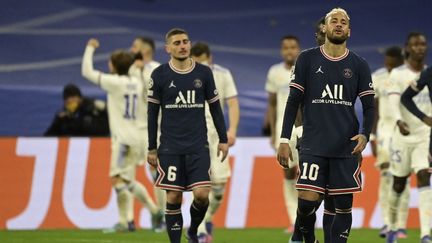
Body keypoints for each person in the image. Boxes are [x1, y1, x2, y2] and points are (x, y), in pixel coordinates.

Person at [277, 8, 375, 243]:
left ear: (349, 31)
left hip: (345, 146)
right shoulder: (307, 59)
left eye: (343, 22)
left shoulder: (359, 64)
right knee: (306, 202)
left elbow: (370, 106)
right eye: (334, 21)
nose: (338, 25)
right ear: (325, 27)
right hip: (313, 144)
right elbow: (293, 102)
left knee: (341, 204)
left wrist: (365, 135)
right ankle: (306, 238)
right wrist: (284, 140)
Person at [147, 28, 228, 243]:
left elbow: (215, 108)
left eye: (185, 41)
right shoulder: (159, 75)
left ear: (189, 44)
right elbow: (152, 113)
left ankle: (193, 230)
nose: (182, 46)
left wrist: (223, 139)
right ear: (167, 49)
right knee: (173, 196)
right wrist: (151, 147)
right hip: (170, 148)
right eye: (177, 43)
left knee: (202, 196)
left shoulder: (203, 73)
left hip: (197, 147)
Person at [81, 38, 163, 233]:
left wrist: (89, 48)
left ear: (115, 66)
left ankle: (126, 221)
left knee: (117, 179)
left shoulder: (114, 82)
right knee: (126, 180)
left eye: (110, 62)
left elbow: (87, 72)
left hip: (123, 138)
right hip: (135, 136)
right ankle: (150, 213)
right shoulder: (135, 81)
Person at [190, 42, 240, 243]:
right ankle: (200, 230)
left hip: (217, 136)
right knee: (200, 186)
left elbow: (233, 103)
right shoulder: (186, 74)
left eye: (203, 61)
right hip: (195, 135)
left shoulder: (222, 74)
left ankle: (206, 219)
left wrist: (232, 130)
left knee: (219, 188)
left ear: (210, 58)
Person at [386, 32, 431, 243]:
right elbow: (396, 101)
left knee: (424, 175)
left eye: (423, 44)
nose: (420, 48)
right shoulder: (397, 74)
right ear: (407, 47)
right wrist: (398, 120)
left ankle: (425, 234)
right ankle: (393, 226)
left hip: (424, 137)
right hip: (402, 137)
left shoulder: (429, 73)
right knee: (398, 184)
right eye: (415, 44)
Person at [369, 46, 409, 239]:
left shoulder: (408, 77)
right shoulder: (378, 77)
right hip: (384, 132)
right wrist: (373, 136)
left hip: (404, 132)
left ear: (401, 62)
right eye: (387, 63)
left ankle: (400, 225)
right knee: (385, 176)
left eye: (393, 64)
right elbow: (374, 109)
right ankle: (386, 222)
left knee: (402, 178)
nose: (389, 67)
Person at [129, 36, 166, 231]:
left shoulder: (157, 69)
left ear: (146, 50)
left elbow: (151, 96)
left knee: (156, 172)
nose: (131, 48)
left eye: (135, 46)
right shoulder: (130, 70)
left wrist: (142, 70)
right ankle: (152, 211)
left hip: (153, 129)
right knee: (123, 176)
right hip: (131, 130)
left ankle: (163, 217)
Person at [265, 35, 301, 234]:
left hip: (305, 129)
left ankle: (306, 217)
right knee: (288, 172)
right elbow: (271, 103)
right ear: (281, 51)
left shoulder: (306, 69)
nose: (289, 51)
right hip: (283, 131)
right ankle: (294, 219)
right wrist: (272, 132)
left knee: (307, 174)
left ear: (298, 49)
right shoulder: (275, 72)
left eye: (293, 47)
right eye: (286, 48)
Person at [44, 84, 109, 136]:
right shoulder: (63, 116)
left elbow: (105, 129)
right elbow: (48, 136)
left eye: (73, 98)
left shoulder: (93, 108)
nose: (70, 101)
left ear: (80, 98)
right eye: (67, 100)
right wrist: (57, 122)